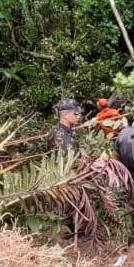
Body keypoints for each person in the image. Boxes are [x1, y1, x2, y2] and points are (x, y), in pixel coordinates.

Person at [45, 98, 90, 243]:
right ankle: (69, 234)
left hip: (66, 176)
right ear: (65, 115)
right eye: (75, 114)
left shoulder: (64, 131)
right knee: (69, 204)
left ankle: (73, 232)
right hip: (65, 176)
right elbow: (66, 161)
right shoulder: (60, 135)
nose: (78, 117)